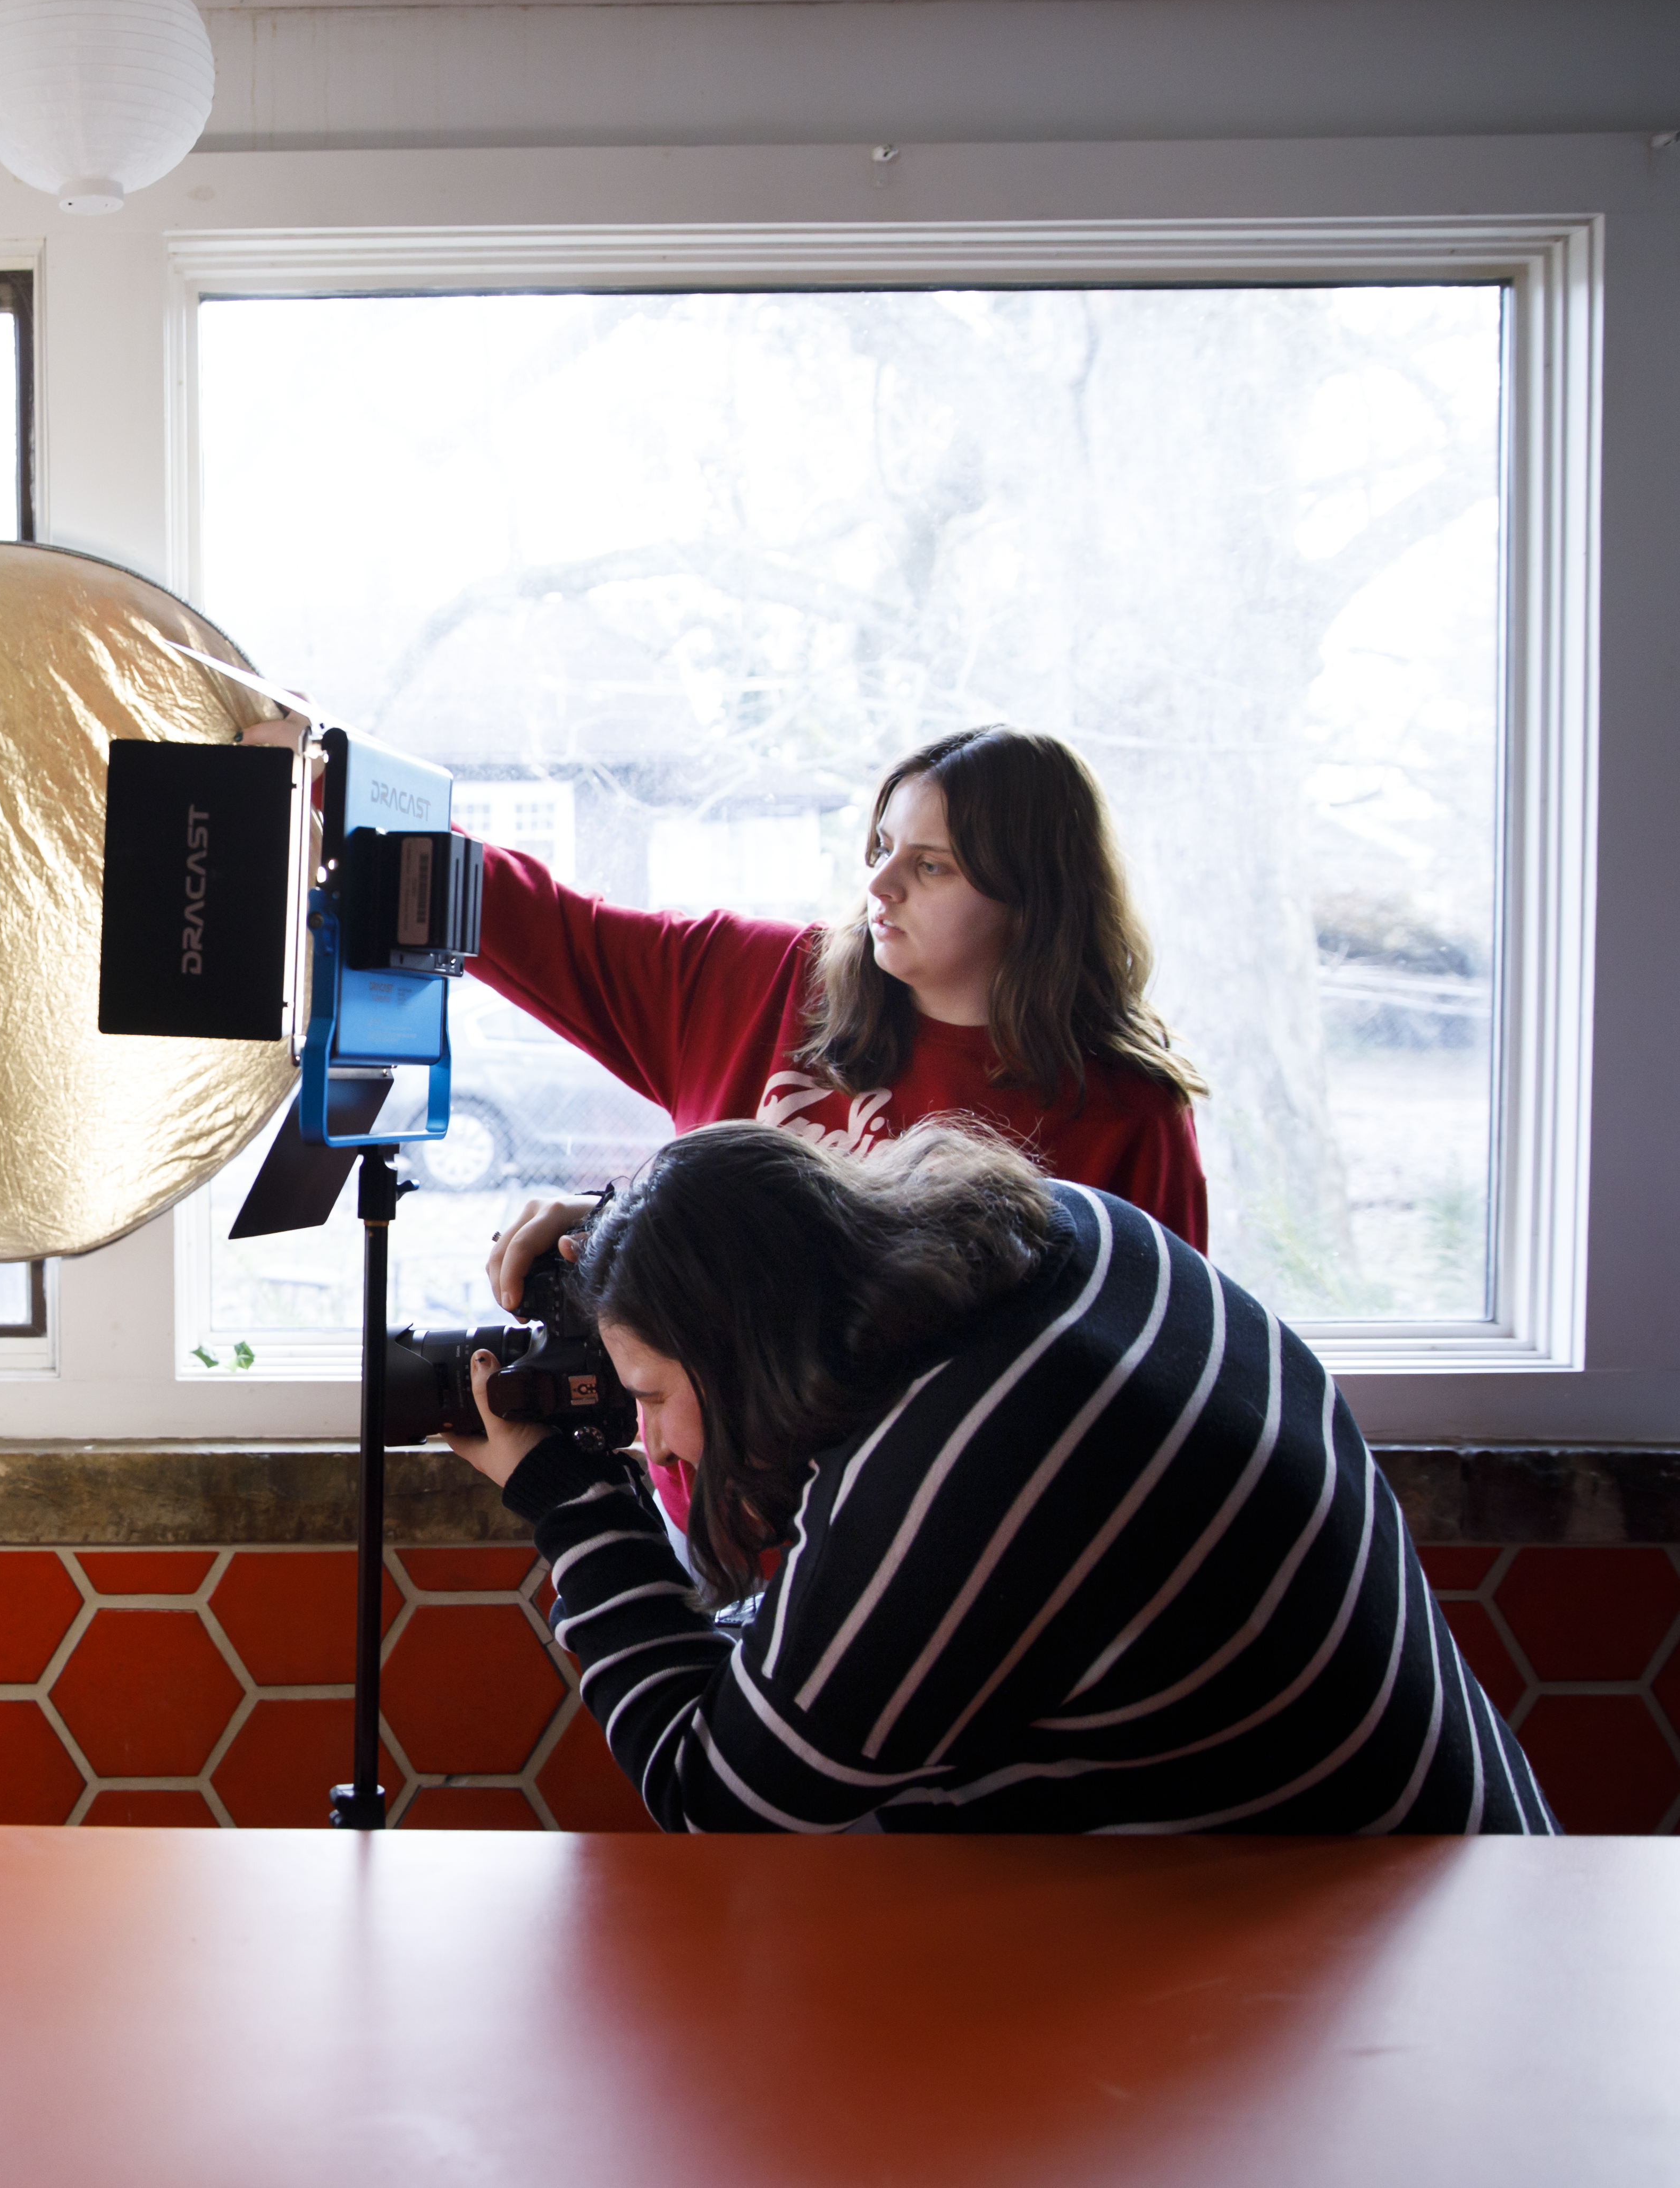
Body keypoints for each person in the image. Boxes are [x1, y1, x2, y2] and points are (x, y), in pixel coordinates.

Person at [447, 1122, 1552, 1833]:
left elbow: (716, 1796)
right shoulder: (1065, 1230)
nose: (649, 1440)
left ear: (748, 1354)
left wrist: (568, 1500)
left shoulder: (950, 1468)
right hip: (1448, 1839)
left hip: (1360, 1938)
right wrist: (641, 1265)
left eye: (649, 1393)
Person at [477, 723, 1207, 1242]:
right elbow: (527, 921)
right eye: (882, 848)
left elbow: (1154, 1376)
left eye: (930, 866)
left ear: (1034, 902)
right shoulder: (754, 981)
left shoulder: (1128, 1113)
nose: (880, 885)